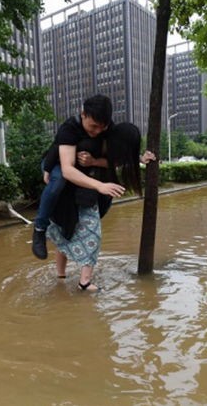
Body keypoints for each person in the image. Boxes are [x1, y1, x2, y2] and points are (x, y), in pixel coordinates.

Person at [46, 121, 156, 292]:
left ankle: (66, 278)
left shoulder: (110, 145)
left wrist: (140, 159)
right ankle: (80, 281)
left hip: (90, 194)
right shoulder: (91, 140)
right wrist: (48, 172)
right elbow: (65, 163)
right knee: (77, 232)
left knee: (72, 232)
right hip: (73, 192)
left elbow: (114, 162)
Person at [31, 94, 113, 259]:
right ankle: (39, 229)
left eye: (101, 128)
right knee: (59, 180)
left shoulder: (108, 128)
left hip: (81, 169)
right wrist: (99, 185)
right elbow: (67, 170)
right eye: (94, 126)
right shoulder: (69, 128)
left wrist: (139, 158)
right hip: (56, 164)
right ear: (83, 114)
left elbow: (118, 158)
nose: (97, 132)